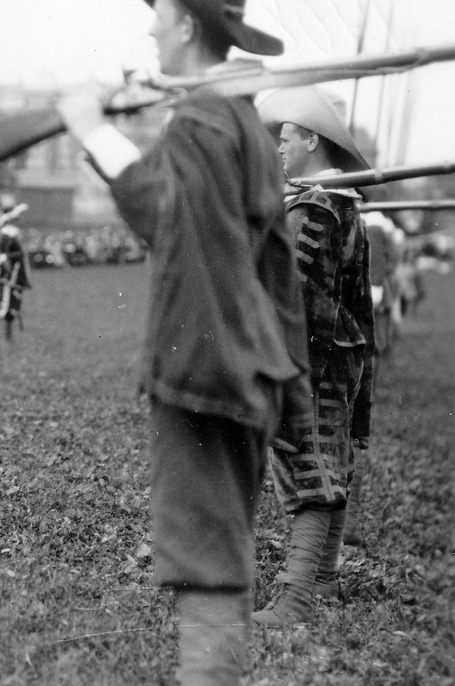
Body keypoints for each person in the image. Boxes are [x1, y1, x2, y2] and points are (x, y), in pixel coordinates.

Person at [57, 1, 310, 682]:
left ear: (190, 26)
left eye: (160, 16)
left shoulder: (201, 118)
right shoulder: (241, 120)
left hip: (205, 367)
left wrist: (92, 131)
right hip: (247, 362)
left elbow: (168, 222)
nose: (151, 29)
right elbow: (273, 268)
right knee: (220, 550)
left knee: (206, 565)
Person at [254, 86, 375, 623]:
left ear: (310, 139)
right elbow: (359, 304)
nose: (279, 149)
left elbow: (295, 299)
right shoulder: (346, 206)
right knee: (332, 463)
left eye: (286, 139)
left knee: (309, 468)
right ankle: (323, 580)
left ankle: (298, 596)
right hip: (341, 355)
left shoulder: (314, 208)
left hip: (313, 357)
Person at [0, 203, 31, 341]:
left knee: (14, 299)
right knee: (9, 300)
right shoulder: (7, 233)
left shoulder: (11, 232)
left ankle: (10, 334)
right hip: (11, 271)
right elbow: (5, 254)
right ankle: (8, 336)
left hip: (15, 270)